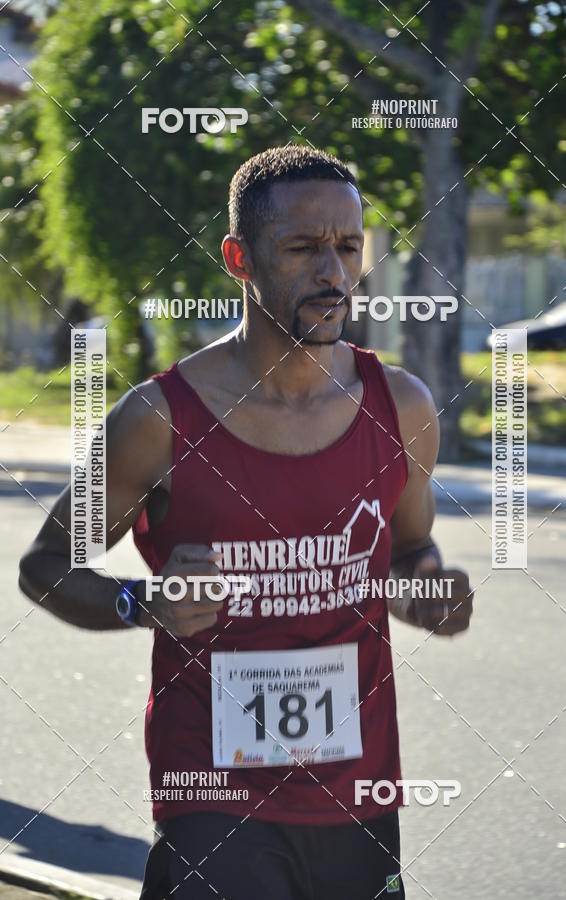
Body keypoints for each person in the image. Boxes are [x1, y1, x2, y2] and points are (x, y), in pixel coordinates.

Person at [19, 145, 473, 900]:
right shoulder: (159, 419)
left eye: (349, 247)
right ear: (239, 257)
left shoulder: (404, 407)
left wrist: (427, 586)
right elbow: (45, 564)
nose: (333, 273)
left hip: (358, 795)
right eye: (302, 248)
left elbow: (411, 546)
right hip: (214, 796)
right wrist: (142, 603)